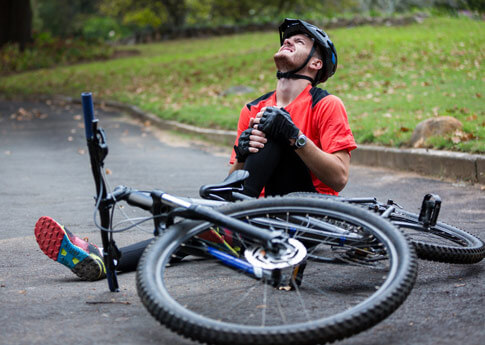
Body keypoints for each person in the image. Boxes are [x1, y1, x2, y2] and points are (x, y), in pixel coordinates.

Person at [34, 18, 356, 281]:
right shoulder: (254, 108)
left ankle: (223, 227)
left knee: (273, 126)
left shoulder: (325, 105)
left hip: (310, 217)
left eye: (299, 41)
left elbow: (339, 177)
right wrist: (242, 154)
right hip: (258, 218)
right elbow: (232, 181)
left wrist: (294, 136)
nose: (288, 41)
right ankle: (106, 260)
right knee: (190, 230)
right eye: (286, 39)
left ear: (316, 62)